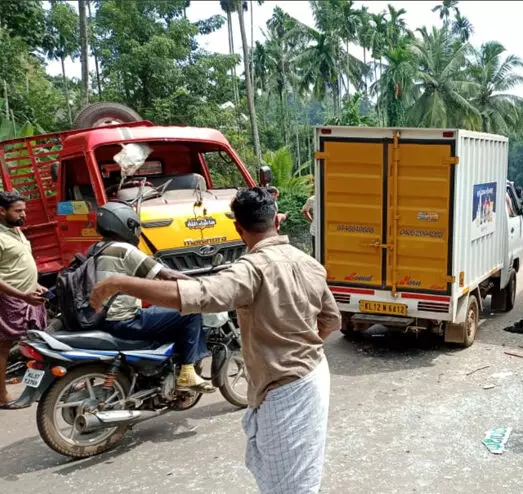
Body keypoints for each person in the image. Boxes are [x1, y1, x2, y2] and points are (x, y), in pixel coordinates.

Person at [90, 187, 342, 494]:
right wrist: (302, 346)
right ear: (277, 220)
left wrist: (121, 282)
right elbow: (331, 320)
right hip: (313, 374)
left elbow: (200, 296)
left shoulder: (251, 270)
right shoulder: (309, 263)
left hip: (284, 388)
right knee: (296, 472)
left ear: (238, 227)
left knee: (289, 485)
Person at [93, 201, 214, 392]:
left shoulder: (96, 249)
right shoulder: (124, 250)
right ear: (126, 224)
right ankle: (188, 372)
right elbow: (166, 275)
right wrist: (199, 284)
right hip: (125, 320)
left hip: (100, 318)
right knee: (191, 312)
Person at [0, 192, 48, 405]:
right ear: (2, 211)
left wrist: (36, 285)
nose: (23, 214)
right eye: (18, 211)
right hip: (11, 299)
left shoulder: (16, 230)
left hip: (30, 297)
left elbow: (19, 264)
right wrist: (22, 295)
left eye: (24, 210)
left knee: (40, 342)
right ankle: (1, 396)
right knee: (3, 347)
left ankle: (40, 388)